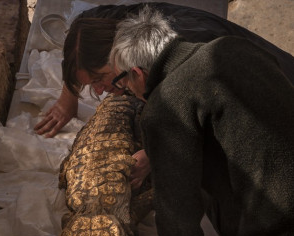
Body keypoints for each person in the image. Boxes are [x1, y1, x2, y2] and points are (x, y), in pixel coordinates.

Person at [108, 6, 294, 236]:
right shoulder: (230, 48)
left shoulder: (166, 105)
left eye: (122, 83)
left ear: (137, 73)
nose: (126, 91)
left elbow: (178, 214)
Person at [33, 3, 294, 189]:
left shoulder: (184, 60)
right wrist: (69, 97)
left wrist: (153, 155)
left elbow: (214, 120)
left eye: (100, 79)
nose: (99, 91)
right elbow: (78, 35)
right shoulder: (105, 26)